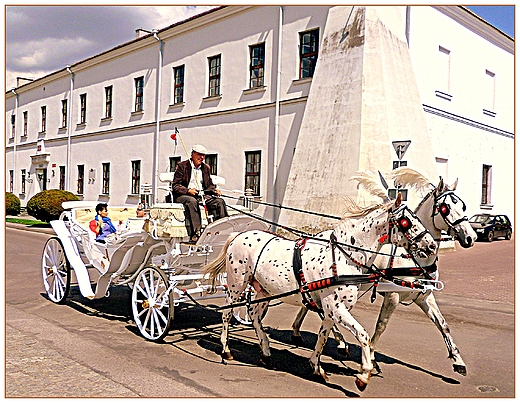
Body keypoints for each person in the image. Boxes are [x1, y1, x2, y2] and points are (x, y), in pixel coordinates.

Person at [171, 144, 228, 243]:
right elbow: (175, 185)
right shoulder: (182, 166)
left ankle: (223, 230)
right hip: (184, 195)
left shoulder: (205, 168)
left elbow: (209, 185)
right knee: (192, 201)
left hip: (201, 195)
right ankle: (196, 233)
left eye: (203, 155)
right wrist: (188, 191)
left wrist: (214, 190)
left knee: (219, 202)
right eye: (199, 154)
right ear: (193, 154)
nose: (201, 157)